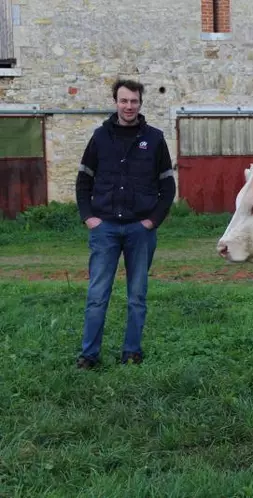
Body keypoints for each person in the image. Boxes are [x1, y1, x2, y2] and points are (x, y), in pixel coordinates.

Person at [74, 78, 176, 369]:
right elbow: (84, 180)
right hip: (103, 228)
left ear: (140, 103)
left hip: (139, 231)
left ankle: (132, 352)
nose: (129, 106)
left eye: (134, 101)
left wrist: (151, 221)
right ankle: (89, 355)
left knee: (137, 296)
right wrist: (89, 217)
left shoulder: (154, 139)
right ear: (115, 102)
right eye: (123, 100)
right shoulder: (99, 137)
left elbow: (167, 188)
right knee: (96, 296)